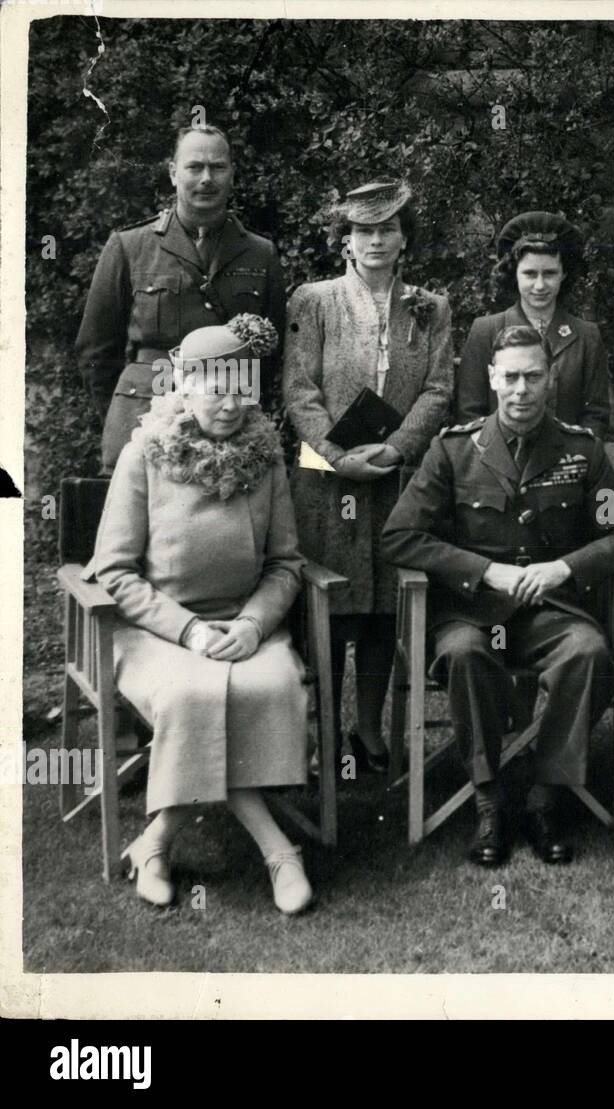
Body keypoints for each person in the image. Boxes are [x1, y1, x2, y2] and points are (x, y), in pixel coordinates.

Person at [379, 325, 614, 867]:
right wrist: (485, 572)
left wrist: (564, 568)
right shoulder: (453, 450)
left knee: (589, 652)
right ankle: (488, 801)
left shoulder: (582, 448)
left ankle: (544, 798)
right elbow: (399, 536)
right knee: (463, 654)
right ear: (491, 379)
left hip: (552, 611)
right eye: (511, 377)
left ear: (550, 380)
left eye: (533, 376)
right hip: (473, 613)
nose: (521, 389)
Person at [89, 320, 314, 914]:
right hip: (157, 632)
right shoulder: (145, 453)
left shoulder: (265, 457)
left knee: (272, 682)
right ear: (184, 385)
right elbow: (113, 571)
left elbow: (286, 564)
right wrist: (187, 630)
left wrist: (252, 626)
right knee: (193, 696)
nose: (231, 401)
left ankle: (154, 842)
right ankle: (277, 849)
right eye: (215, 386)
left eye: (242, 387)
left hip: (243, 628)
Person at [283, 179, 454, 774]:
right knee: (332, 603)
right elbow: (299, 389)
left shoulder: (429, 306)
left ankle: (369, 729)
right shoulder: (314, 299)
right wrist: (336, 453)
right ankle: (325, 732)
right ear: (347, 242)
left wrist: (397, 448)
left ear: (404, 238)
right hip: (327, 479)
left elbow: (438, 390)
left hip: (393, 476)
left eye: (388, 229)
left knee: (384, 602)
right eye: (365, 231)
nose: (376, 240)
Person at [75, 124, 286, 472]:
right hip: (142, 420)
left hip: (228, 426)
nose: (206, 178)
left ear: (232, 175)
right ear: (174, 173)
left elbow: (269, 354)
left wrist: (235, 402)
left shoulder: (260, 254)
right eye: (194, 167)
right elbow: (95, 351)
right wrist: (122, 408)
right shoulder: (130, 246)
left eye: (217, 167)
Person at [456, 211, 610, 437]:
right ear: (514, 274)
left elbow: (596, 415)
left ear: (564, 274)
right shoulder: (485, 331)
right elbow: (469, 412)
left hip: (567, 464)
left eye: (549, 273)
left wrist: (575, 459)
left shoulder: (587, 336)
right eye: (529, 274)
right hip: (496, 464)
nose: (540, 285)